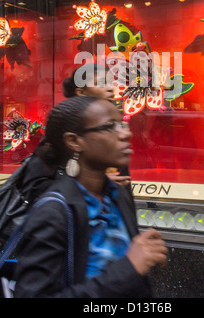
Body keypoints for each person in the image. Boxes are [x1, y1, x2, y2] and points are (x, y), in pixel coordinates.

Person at [14, 96, 168, 298]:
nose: (126, 133)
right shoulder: (53, 212)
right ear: (74, 141)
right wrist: (129, 267)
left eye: (122, 124)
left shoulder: (118, 195)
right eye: (110, 127)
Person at [63, 63, 132, 188]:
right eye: (101, 84)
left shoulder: (114, 120)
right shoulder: (67, 124)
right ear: (81, 92)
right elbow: (53, 171)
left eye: (111, 83)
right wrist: (97, 180)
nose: (110, 89)